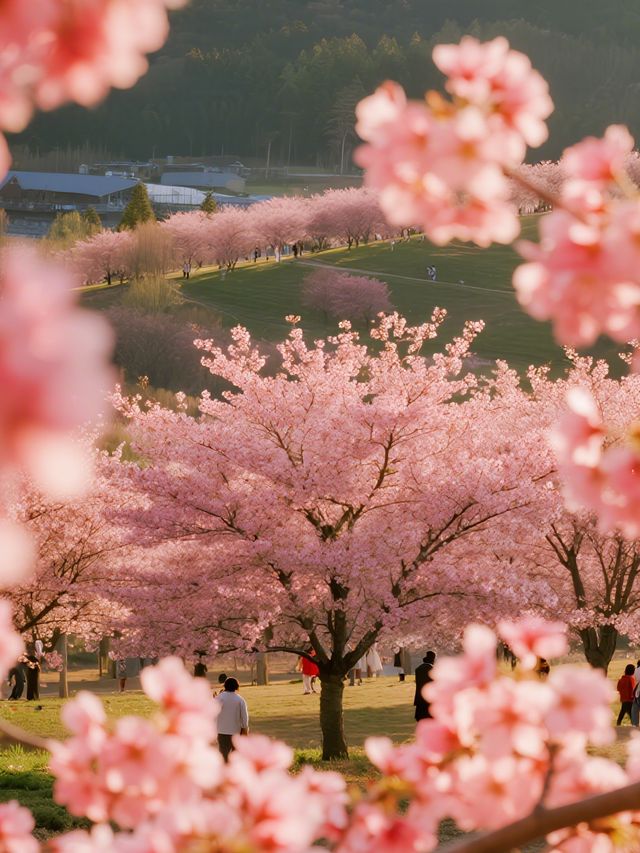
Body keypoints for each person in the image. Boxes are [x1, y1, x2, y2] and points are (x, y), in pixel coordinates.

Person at [215, 677, 249, 762]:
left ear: (225, 686)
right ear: (236, 687)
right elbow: (244, 717)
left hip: (222, 731)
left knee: (223, 755)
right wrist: (245, 729)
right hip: (236, 732)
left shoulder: (219, 698)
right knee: (236, 756)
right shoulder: (240, 700)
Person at [414, 651, 436, 721]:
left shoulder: (418, 669)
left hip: (420, 697)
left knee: (421, 717)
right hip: (429, 697)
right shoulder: (433, 669)